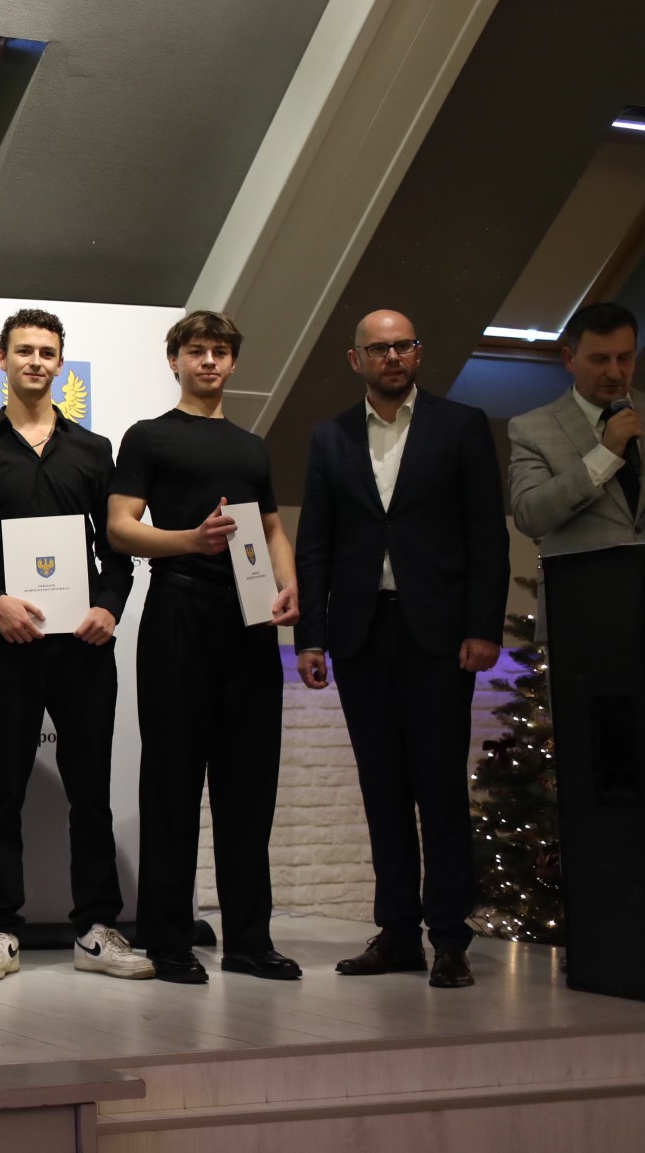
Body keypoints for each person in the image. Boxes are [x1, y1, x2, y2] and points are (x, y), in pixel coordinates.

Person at [295, 310, 507, 990]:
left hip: (441, 635)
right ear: (355, 360)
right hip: (361, 633)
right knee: (381, 790)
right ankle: (396, 933)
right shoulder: (329, 436)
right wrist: (310, 637)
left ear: (418, 353)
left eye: (403, 346)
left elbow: (487, 535)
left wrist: (484, 628)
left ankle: (449, 938)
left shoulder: (462, 425)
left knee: (439, 789)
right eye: (378, 349)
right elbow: (317, 545)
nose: (392, 357)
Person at [107, 310, 300, 986]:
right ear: (175, 361)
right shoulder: (149, 438)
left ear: (233, 363)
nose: (209, 362)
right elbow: (121, 529)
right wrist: (191, 539)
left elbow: (273, 529)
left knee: (250, 785)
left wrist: (291, 586)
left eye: (220, 352)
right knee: (172, 783)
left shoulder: (252, 446)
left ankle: (249, 939)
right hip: (178, 609)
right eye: (197, 352)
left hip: (250, 618)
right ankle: (167, 942)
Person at [0, 309, 150, 983]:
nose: (36, 362)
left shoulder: (94, 452)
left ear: (60, 364)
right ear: (2, 358)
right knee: (2, 789)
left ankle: (97, 930)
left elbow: (121, 549)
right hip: (9, 643)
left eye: (47, 353)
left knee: (91, 788)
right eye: (24, 351)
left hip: (85, 647)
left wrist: (109, 605)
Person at [507, 302, 643, 631]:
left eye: (624, 358)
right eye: (600, 359)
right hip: (582, 616)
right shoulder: (532, 428)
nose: (615, 371)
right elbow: (530, 516)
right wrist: (605, 454)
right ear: (569, 359)